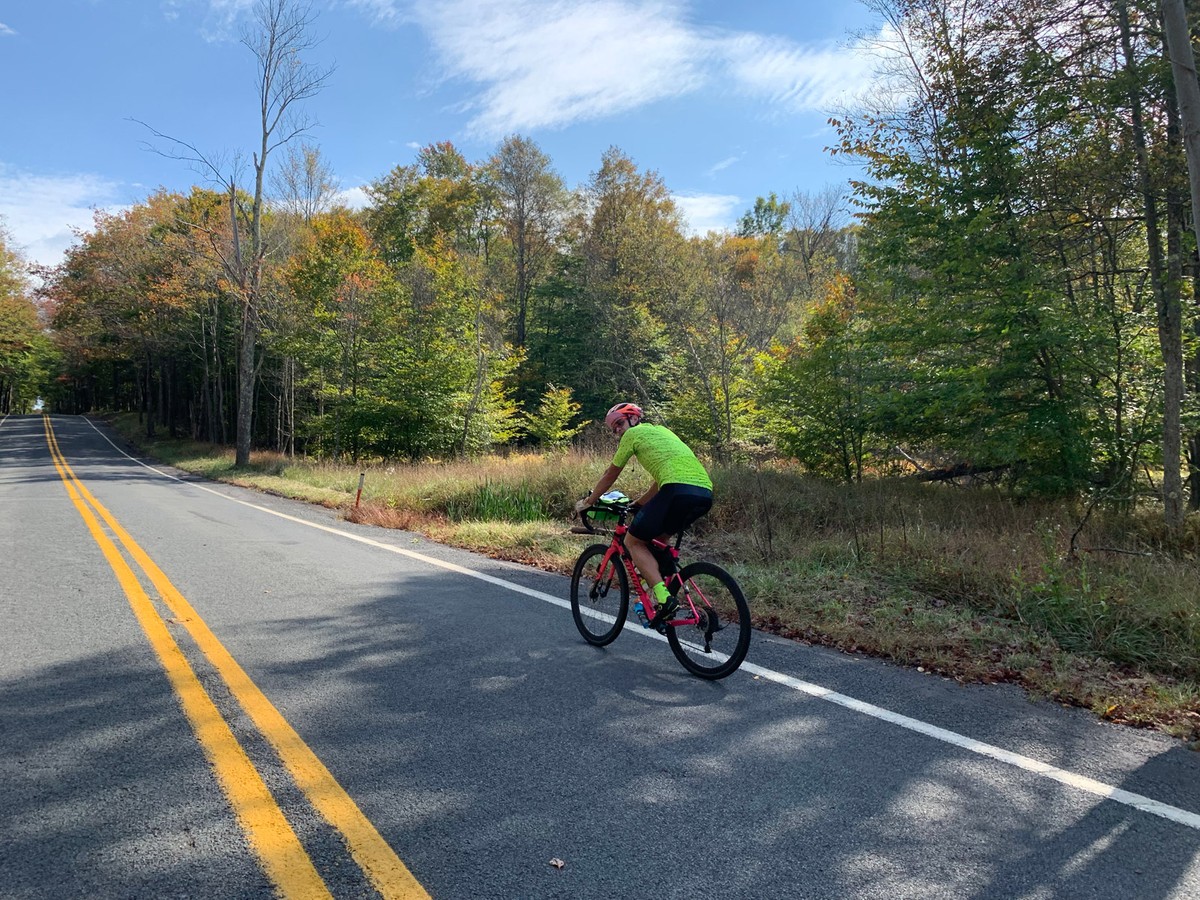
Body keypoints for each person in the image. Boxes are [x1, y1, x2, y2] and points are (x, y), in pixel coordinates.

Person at [574, 402, 713, 629]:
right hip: (703, 492)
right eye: (613, 429)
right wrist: (638, 504)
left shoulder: (634, 435)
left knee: (632, 542)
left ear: (634, 419)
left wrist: (589, 502)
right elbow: (660, 482)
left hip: (675, 490)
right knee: (659, 541)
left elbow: (611, 473)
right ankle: (665, 586)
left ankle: (665, 600)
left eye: (619, 423)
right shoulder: (664, 432)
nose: (617, 430)